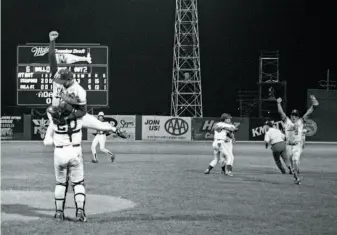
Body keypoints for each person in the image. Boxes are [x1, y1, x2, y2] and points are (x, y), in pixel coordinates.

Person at [48, 31, 125, 135]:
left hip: (74, 114)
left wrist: (68, 116)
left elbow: (82, 112)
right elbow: (52, 59)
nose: (59, 80)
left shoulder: (79, 90)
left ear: (69, 80)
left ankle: (115, 129)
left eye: (62, 79)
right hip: (58, 113)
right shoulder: (58, 79)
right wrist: (52, 41)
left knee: (99, 125)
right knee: (49, 138)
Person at [43, 105, 87, 222]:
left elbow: (47, 141)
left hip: (60, 151)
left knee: (61, 183)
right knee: (78, 183)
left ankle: (58, 213)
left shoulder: (54, 119)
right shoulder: (79, 118)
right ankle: (80, 212)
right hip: (75, 150)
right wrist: (114, 129)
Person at [276, 95, 319, 179]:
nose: (294, 116)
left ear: (298, 117)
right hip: (288, 146)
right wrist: (278, 103)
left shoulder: (300, 121)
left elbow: (308, 113)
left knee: (295, 159)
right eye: (292, 115)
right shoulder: (287, 121)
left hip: (297, 145)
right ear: (290, 115)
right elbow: (281, 112)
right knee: (291, 160)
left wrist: (314, 106)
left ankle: (296, 175)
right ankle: (294, 169)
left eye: (295, 115)